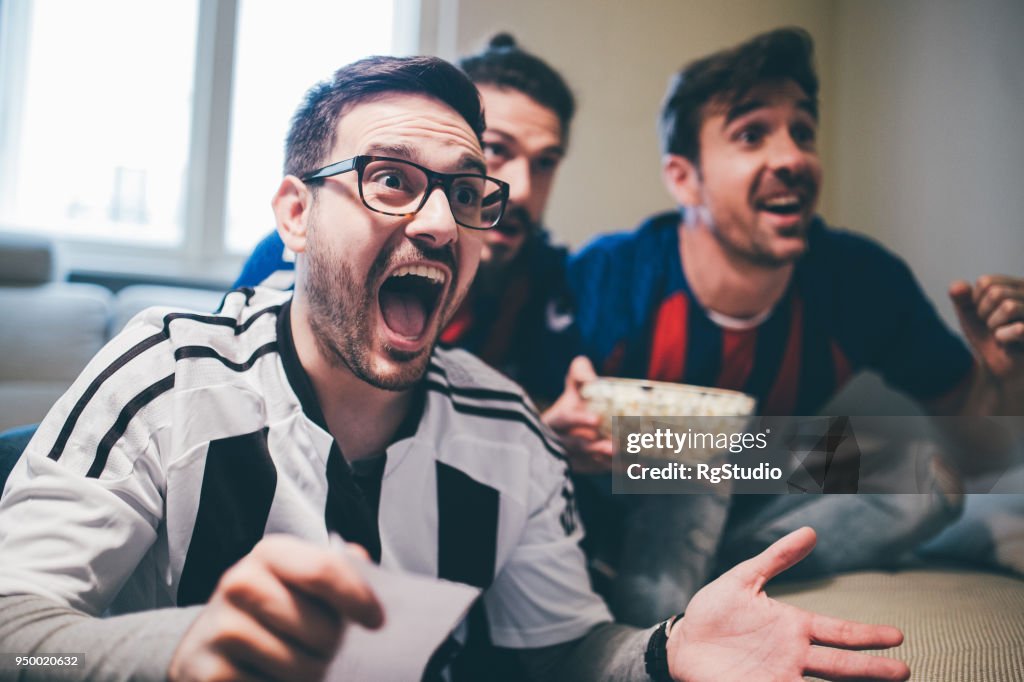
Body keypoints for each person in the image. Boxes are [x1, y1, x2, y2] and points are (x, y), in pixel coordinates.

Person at [0, 55, 911, 682]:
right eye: (392, 179)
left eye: (479, 187)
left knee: (911, 469)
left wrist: (665, 647)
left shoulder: (555, 304)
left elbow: (564, 646)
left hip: (626, 518)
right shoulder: (176, 370)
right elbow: (18, 639)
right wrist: (176, 650)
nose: (442, 220)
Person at [545, 27, 1024, 625]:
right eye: (751, 135)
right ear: (683, 177)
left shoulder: (860, 280)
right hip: (626, 485)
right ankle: (662, 620)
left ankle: (726, 563)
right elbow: (532, 431)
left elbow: (980, 454)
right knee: (696, 456)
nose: (792, 158)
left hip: (759, 469)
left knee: (922, 472)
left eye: (802, 132)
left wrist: (1004, 379)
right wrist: (557, 428)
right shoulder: (611, 276)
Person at [235, 34, 577, 403]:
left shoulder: (552, 279)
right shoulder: (300, 252)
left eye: (544, 163)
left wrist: (555, 435)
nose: (522, 189)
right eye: (495, 149)